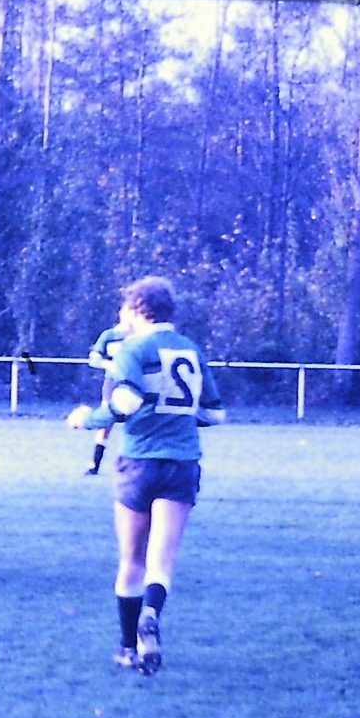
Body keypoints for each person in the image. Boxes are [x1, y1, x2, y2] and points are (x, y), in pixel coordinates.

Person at [67, 276, 225, 676]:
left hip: (139, 461)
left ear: (138, 308)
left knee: (131, 559)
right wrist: (176, 417)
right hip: (182, 462)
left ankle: (126, 647)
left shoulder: (134, 349)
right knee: (162, 560)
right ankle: (151, 613)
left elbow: (125, 402)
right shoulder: (191, 349)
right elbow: (214, 413)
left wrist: (87, 419)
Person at [84, 314, 131, 475]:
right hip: (112, 382)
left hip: (133, 382)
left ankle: (130, 461)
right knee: (106, 422)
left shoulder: (139, 336)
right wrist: (108, 364)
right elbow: (94, 359)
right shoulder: (109, 335)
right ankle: (94, 464)